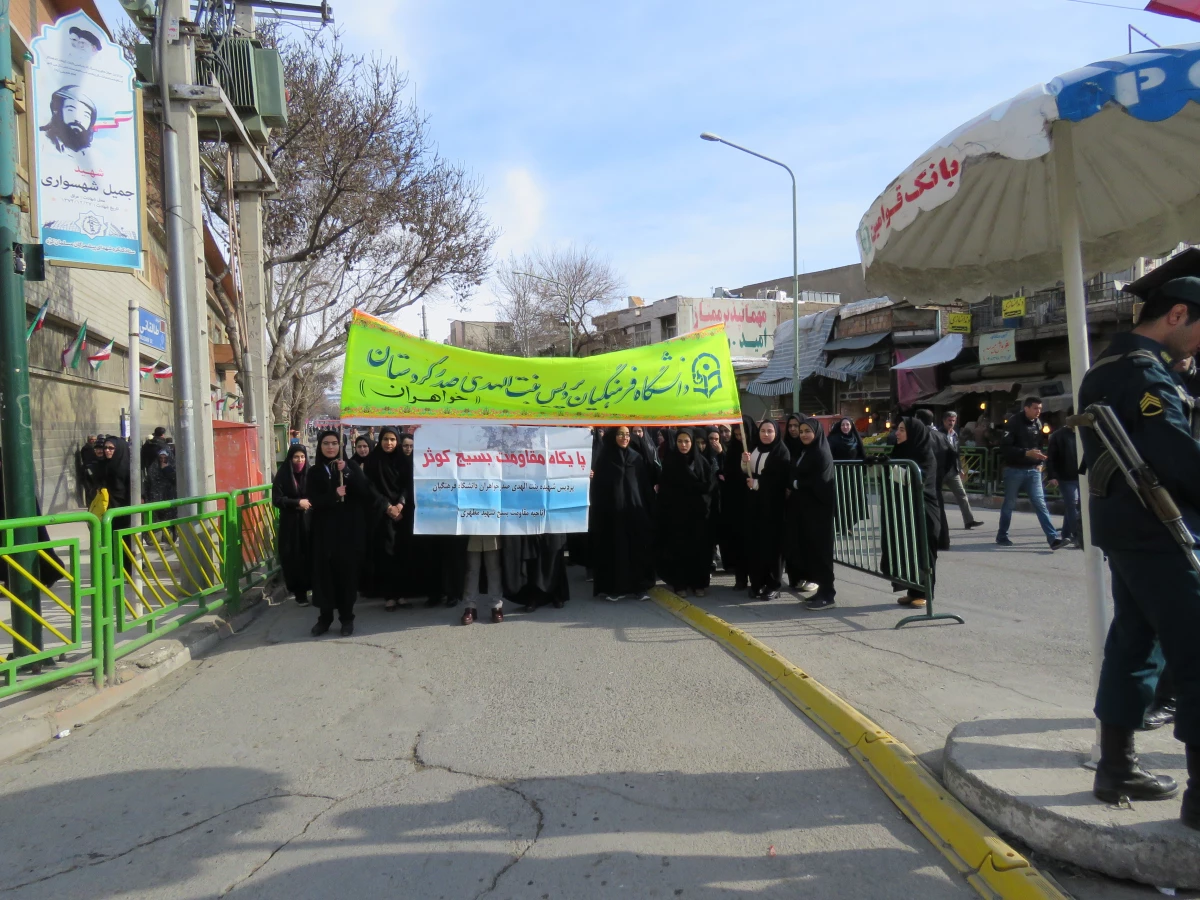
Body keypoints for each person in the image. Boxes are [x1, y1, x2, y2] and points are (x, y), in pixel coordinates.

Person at [1076, 249, 1200, 828]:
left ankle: (1117, 766)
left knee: (1134, 643)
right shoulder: (1146, 372)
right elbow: (1177, 457)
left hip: (1127, 533)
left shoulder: (1107, 365)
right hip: (1161, 529)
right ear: (1177, 314)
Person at [305, 430, 387, 637]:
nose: (331, 447)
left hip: (349, 532)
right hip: (324, 532)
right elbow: (313, 500)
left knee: (346, 576)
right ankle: (325, 618)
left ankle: (347, 619)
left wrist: (348, 474)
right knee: (325, 576)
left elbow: (367, 491)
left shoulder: (350, 467)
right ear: (320, 446)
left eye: (334, 443)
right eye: (326, 443)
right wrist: (334, 495)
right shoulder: (315, 471)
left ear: (341, 446)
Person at [590, 425, 657, 601]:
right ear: (613, 436)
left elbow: (644, 486)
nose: (625, 438)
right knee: (615, 549)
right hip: (612, 516)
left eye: (627, 434)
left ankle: (639, 587)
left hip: (635, 514)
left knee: (637, 550)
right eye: (620, 434)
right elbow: (599, 489)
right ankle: (616, 588)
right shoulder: (604, 459)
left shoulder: (636, 459)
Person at [995, 397, 1068, 549]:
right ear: (1026, 408)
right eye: (1035, 408)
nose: (1038, 411)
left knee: (1040, 504)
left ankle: (1053, 539)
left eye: (1040, 409)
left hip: (1033, 471)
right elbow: (1005, 448)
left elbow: (1039, 446)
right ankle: (1002, 535)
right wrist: (1026, 453)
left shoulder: (1038, 423)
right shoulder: (1014, 423)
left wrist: (1040, 462)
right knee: (1009, 504)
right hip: (1014, 469)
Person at [886, 417, 941, 609]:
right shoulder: (900, 450)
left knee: (924, 552)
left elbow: (916, 479)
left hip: (924, 511)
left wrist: (889, 467)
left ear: (913, 433)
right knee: (908, 550)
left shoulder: (925, 454)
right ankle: (912, 590)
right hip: (906, 510)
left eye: (901, 430)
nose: (897, 433)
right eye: (897, 429)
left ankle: (925, 592)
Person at [784, 414, 837, 610]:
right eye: (802, 431)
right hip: (806, 510)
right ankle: (820, 592)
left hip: (818, 512)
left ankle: (828, 594)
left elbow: (820, 482)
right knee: (812, 551)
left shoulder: (821, 453)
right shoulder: (807, 450)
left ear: (817, 433)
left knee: (821, 552)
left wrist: (796, 484)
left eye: (808, 431)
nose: (804, 434)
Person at [657, 428, 716, 597]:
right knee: (679, 550)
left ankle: (699, 583)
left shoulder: (701, 462)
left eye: (687, 441)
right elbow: (665, 491)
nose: (683, 445)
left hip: (698, 516)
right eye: (680, 441)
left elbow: (709, 487)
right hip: (677, 516)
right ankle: (680, 584)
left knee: (699, 550)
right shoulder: (670, 463)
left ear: (692, 443)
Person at [363, 427, 413, 611]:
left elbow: (408, 485)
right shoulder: (373, 461)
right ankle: (389, 596)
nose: (389, 443)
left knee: (402, 553)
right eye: (385, 439)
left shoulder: (405, 462)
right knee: (385, 555)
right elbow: (370, 487)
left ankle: (402, 594)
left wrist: (400, 504)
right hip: (382, 516)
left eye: (392, 439)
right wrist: (387, 507)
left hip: (403, 515)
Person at [741, 419, 791, 600]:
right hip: (754, 505)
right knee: (756, 544)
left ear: (776, 432)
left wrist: (758, 484)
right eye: (763, 430)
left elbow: (779, 480)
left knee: (772, 546)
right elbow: (747, 473)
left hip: (773, 507)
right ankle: (757, 582)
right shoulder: (754, 448)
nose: (766, 434)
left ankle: (774, 584)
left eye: (770, 431)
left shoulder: (781, 452)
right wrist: (744, 462)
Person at [271, 443, 312, 606]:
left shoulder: (311, 474)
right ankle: (300, 594)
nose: (299, 460)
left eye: (302, 457)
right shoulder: (283, 476)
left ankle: (315, 589)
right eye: (296, 457)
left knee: (311, 555)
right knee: (294, 557)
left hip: (310, 522)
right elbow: (277, 499)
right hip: (291, 524)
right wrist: (297, 503)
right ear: (290, 458)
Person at [937, 411, 984, 529]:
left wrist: (960, 468)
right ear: (944, 421)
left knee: (962, 495)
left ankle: (969, 520)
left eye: (953, 421)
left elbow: (957, 453)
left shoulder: (955, 434)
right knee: (934, 496)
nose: (951, 423)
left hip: (953, 470)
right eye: (949, 421)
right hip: (940, 470)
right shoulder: (937, 434)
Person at [720, 420, 752, 588]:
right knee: (739, 542)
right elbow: (729, 474)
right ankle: (740, 578)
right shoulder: (733, 450)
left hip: (753, 504)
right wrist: (740, 465)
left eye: (742, 435)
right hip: (737, 503)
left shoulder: (756, 448)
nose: (740, 438)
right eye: (737, 435)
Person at [914, 409, 952, 553]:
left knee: (924, 512)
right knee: (939, 510)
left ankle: (926, 541)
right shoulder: (942, 436)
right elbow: (952, 456)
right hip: (937, 478)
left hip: (924, 479)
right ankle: (943, 540)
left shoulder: (920, 437)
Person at [1045, 418, 1082, 547]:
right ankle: (1077, 535)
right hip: (1065, 476)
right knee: (1072, 503)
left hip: (1081, 476)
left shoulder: (1082, 432)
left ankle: (1066, 534)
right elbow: (1051, 457)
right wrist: (1052, 475)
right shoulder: (1059, 435)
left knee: (1074, 505)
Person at [460, 535, 504, 624]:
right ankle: (470, 607)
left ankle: (496, 606)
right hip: (472, 530)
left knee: (494, 569)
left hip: (492, 529)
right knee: (472, 570)